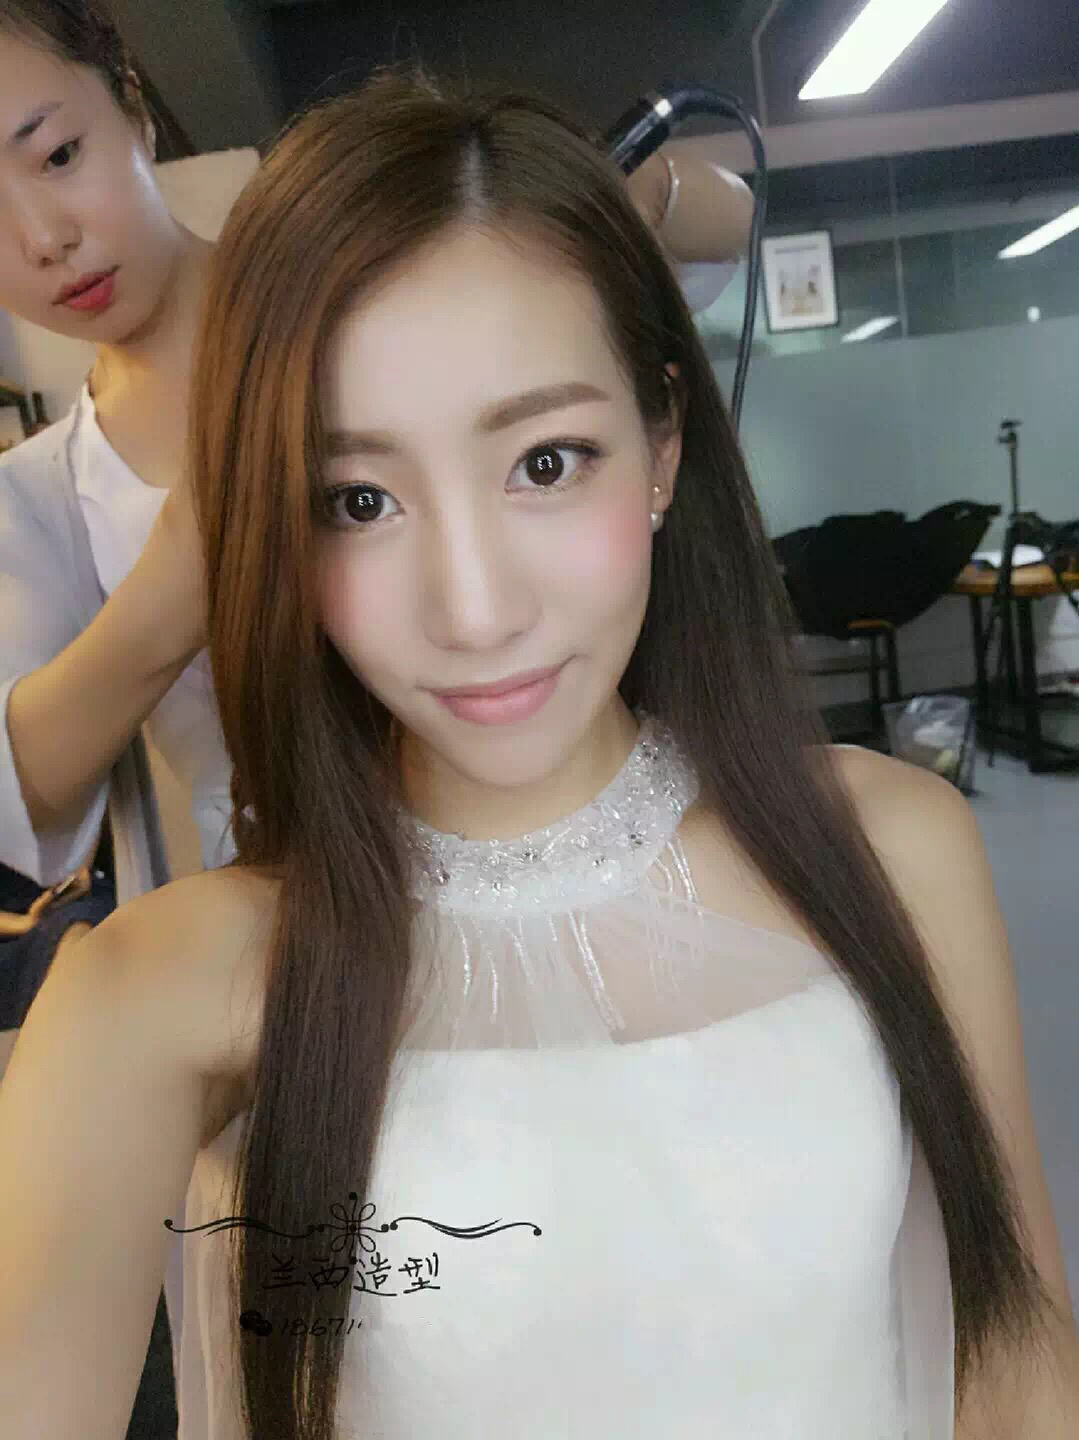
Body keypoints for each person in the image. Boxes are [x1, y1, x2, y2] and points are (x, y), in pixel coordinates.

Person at [4, 61, 1077, 1440]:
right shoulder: (157, 998)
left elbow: (1017, 1361)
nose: (474, 610)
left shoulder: (890, 846)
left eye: (546, 463)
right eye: (358, 499)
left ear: (661, 447)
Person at [0, 0, 754, 1043]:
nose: (43, 239)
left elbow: (722, 220)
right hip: (288, 977)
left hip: (588, 876)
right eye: (353, 502)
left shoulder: (365, 266)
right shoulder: (36, 497)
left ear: (131, 104)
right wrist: (178, 582)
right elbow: (25, 800)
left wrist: (604, 191)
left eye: (59, 155)